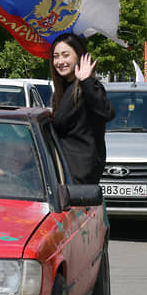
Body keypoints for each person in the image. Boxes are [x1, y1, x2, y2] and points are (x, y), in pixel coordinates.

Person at [49, 33, 115, 185]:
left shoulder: (88, 87)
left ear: (79, 56)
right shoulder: (62, 91)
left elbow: (107, 112)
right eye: (56, 56)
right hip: (62, 171)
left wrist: (86, 81)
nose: (60, 61)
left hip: (81, 176)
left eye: (66, 55)